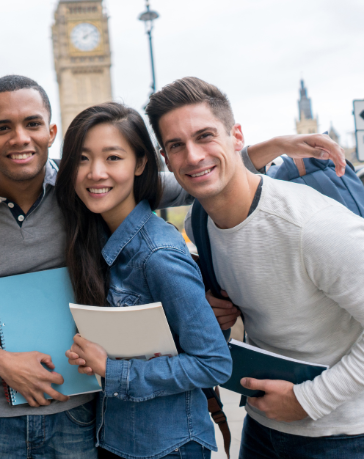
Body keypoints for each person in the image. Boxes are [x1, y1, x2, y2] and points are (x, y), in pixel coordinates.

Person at [0, 74, 347, 459]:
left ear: (50, 132)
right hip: (54, 422)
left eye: (32, 124)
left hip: (116, 426)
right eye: (3, 127)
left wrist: (274, 147)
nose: (96, 172)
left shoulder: (121, 226)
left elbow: (199, 173)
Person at [146, 76, 364, 458]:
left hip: (342, 434)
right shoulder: (199, 223)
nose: (193, 156)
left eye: (205, 136)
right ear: (166, 158)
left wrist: (309, 400)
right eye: (177, 145)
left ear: (237, 136)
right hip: (263, 427)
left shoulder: (312, 226)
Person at [57, 102, 231, 459]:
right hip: (116, 438)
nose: (95, 173)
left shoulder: (158, 255)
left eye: (113, 158)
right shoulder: (94, 239)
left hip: (167, 446)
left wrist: (112, 370)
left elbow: (213, 362)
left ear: (140, 164)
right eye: (83, 159)